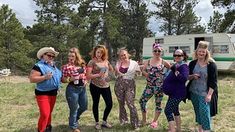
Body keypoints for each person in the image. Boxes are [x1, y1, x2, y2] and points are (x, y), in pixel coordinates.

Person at [186, 41, 218, 132]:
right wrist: (193, 76)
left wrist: (209, 95)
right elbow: (187, 76)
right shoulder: (192, 63)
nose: (201, 53)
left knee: (205, 112)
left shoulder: (211, 65)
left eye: (203, 52)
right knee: (198, 112)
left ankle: (207, 130)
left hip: (205, 93)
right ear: (196, 52)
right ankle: (200, 130)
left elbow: (213, 81)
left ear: (206, 52)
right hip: (194, 92)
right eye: (199, 51)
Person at [29, 47, 62, 132]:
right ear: (43, 55)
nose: (51, 57)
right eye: (49, 55)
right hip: (42, 93)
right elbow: (32, 79)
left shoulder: (54, 66)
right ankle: (41, 130)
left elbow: (59, 78)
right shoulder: (38, 66)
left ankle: (48, 127)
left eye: (53, 56)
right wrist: (44, 77)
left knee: (49, 112)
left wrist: (70, 79)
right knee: (45, 114)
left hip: (53, 93)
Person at [139, 43, 171, 129]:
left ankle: (154, 121)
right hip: (149, 87)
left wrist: (166, 77)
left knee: (158, 104)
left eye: (159, 51)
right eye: (155, 51)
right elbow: (143, 70)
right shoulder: (148, 61)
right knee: (142, 101)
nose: (157, 52)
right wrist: (146, 74)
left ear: (161, 52)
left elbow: (171, 69)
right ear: (153, 52)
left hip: (160, 88)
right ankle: (144, 120)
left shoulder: (164, 62)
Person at [86, 45, 114, 130]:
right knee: (96, 103)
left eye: (101, 52)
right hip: (95, 86)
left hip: (105, 85)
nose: (99, 54)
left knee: (109, 104)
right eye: (98, 52)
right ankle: (97, 122)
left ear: (103, 53)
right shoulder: (91, 62)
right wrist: (98, 75)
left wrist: (109, 76)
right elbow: (88, 75)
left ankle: (104, 121)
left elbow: (111, 70)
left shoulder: (106, 61)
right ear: (95, 52)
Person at [61, 47, 87, 132]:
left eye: (72, 56)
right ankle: (73, 126)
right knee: (74, 108)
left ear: (76, 56)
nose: (70, 58)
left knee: (84, 106)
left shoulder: (82, 64)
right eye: (69, 56)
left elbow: (85, 74)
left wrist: (86, 81)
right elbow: (63, 79)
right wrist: (69, 79)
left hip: (82, 89)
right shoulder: (66, 67)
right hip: (72, 89)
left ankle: (74, 118)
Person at [162, 49, 189, 132]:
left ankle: (172, 129)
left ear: (183, 56)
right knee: (175, 110)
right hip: (173, 93)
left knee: (168, 110)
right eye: (175, 55)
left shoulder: (184, 66)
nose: (177, 57)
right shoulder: (176, 65)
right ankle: (178, 129)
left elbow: (184, 78)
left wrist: (175, 71)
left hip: (178, 93)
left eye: (179, 55)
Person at [114, 48, 141, 130]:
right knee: (121, 103)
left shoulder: (134, 63)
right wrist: (116, 72)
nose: (123, 56)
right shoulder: (118, 63)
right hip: (119, 84)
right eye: (121, 55)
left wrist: (137, 72)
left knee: (130, 103)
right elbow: (116, 74)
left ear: (128, 54)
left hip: (130, 84)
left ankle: (135, 123)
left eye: (124, 55)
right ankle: (123, 120)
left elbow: (139, 73)